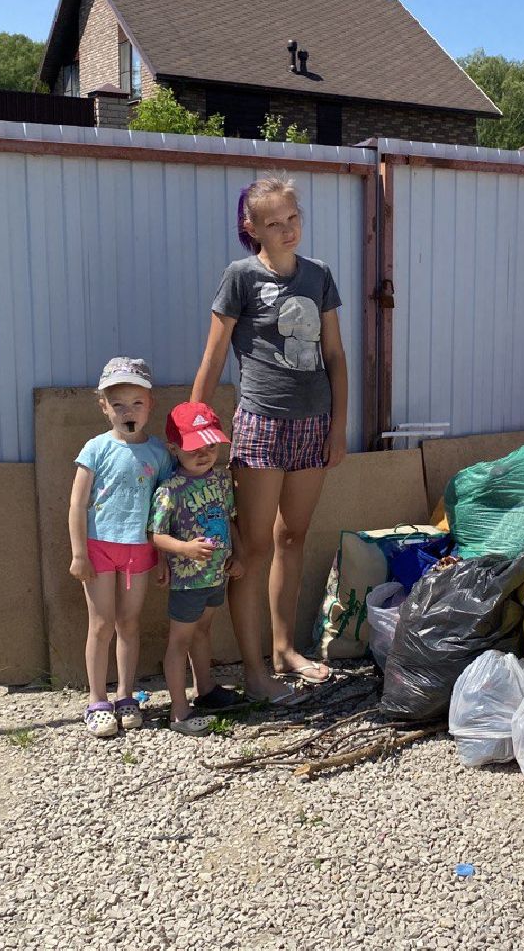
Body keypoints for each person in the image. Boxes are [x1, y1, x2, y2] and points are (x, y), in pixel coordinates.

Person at [191, 176, 348, 704]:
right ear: (251, 227)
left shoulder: (319, 276)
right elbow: (214, 357)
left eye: (293, 218)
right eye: (274, 222)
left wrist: (338, 428)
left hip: (313, 427)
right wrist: (195, 427)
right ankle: (255, 674)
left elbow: (335, 357)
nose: (287, 230)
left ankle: (285, 651)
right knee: (254, 549)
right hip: (260, 426)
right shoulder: (240, 278)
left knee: (291, 538)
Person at [68, 357, 174, 738]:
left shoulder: (159, 454)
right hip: (98, 549)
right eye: (118, 404)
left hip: (139, 551)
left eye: (136, 403)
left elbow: (163, 510)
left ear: (150, 404)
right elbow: (77, 503)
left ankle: (126, 694)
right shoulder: (96, 448)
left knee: (129, 623)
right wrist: (79, 553)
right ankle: (97, 700)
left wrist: (161, 556)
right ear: (103, 407)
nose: (128, 411)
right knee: (101, 625)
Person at [148, 402, 248, 734]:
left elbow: (230, 521)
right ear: (174, 448)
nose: (203, 454)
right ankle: (179, 710)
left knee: (203, 632)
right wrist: (186, 549)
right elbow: (156, 535)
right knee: (180, 640)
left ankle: (205, 689)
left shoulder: (220, 480)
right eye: (194, 448)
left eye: (210, 446)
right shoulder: (170, 489)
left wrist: (239, 553)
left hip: (215, 575)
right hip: (187, 581)